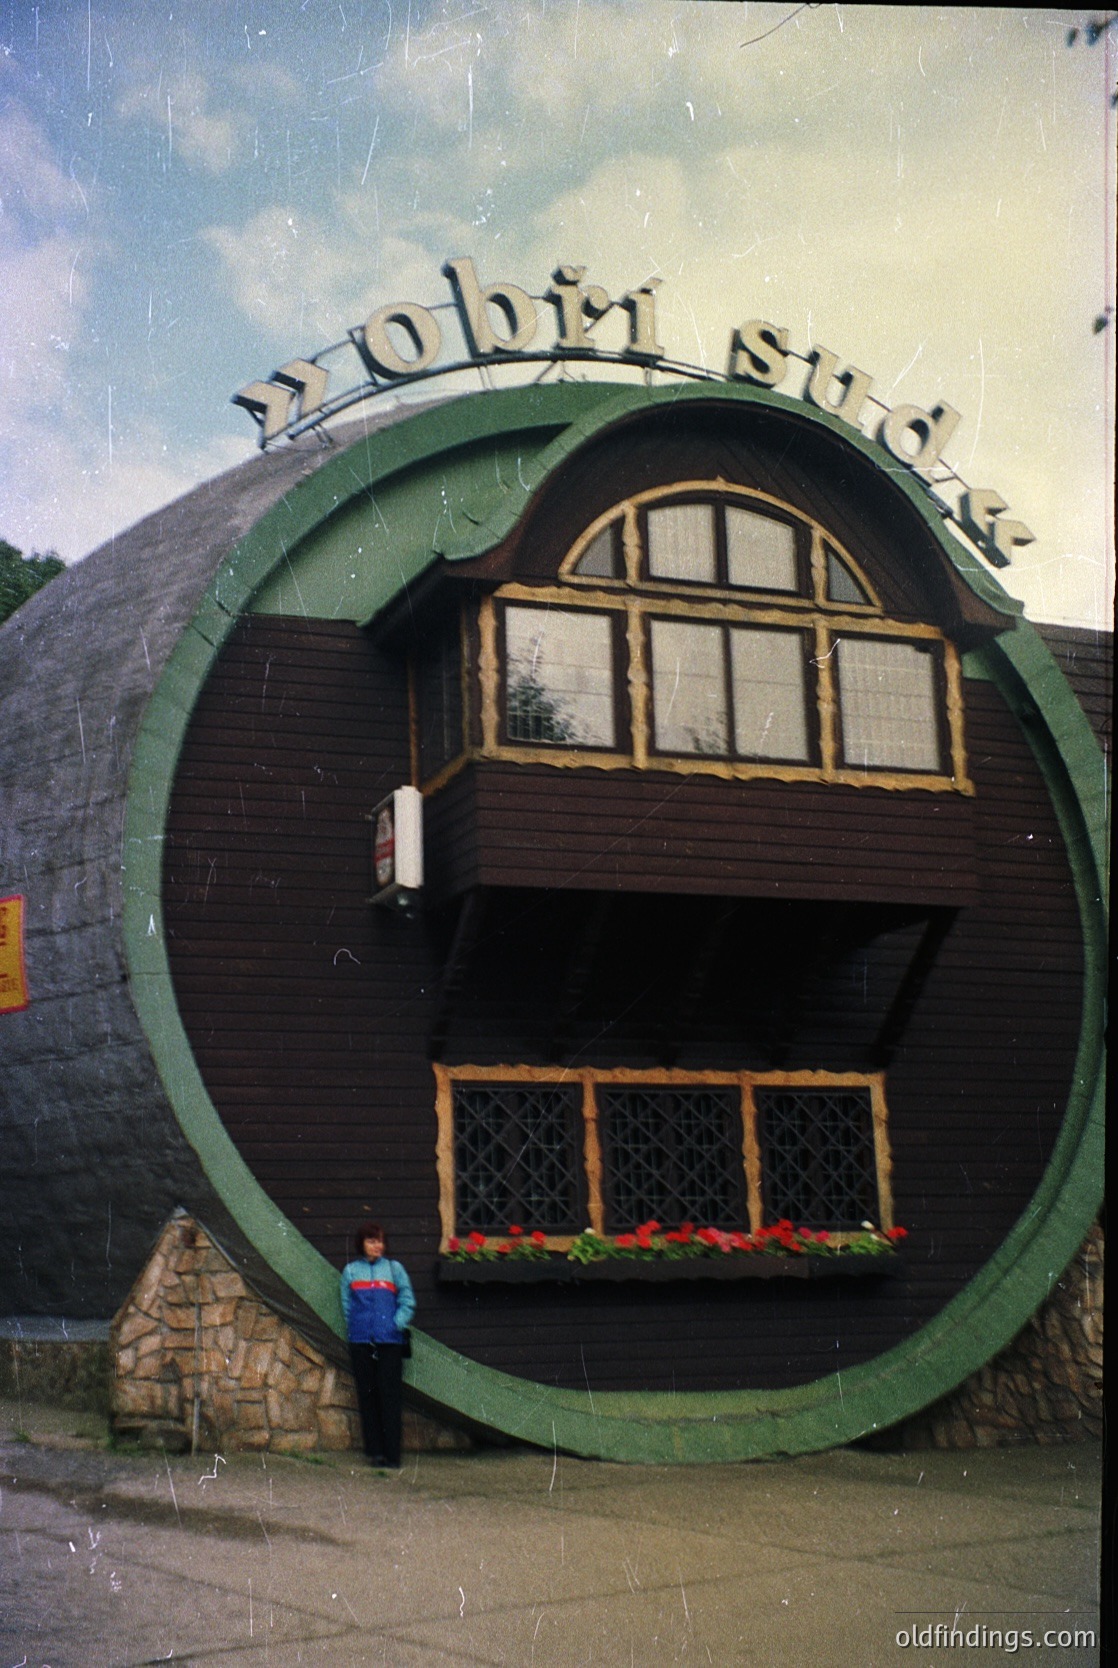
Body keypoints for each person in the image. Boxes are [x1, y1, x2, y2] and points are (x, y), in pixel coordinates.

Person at [340, 1222, 416, 1468]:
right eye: (372, 1241)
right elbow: (346, 1305)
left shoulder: (395, 1270)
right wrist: (357, 1327)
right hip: (361, 1342)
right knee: (368, 1397)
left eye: (380, 1241)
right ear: (362, 1244)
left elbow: (407, 1300)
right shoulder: (350, 1272)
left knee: (390, 1397)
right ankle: (375, 1453)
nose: (377, 1246)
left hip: (390, 1343)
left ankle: (392, 1455)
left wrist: (396, 1323)